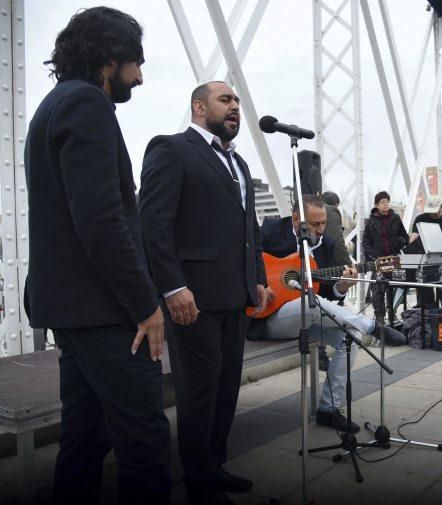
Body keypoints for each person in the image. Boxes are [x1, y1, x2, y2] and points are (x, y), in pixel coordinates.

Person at [24, 8, 170, 503]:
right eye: (136, 63)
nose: (141, 77)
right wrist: (147, 306)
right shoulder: (88, 105)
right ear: (112, 58)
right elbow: (103, 224)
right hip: (103, 311)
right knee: (144, 441)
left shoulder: (55, 104)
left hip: (72, 309)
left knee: (84, 439)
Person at [139, 81, 267, 504]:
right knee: (200, 391)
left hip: (236, 295)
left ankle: (214, 465)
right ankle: (199, 484)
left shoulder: (241, 164)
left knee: (228, 386)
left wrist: (259, 279)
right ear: (199, 107)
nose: (235, 107)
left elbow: (251, 231)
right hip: (192, 298)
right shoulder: (171, 149)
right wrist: (172, 286)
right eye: (225, 100)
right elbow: (153, 224)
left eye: (237, 102)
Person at [250, 195, 407, 432]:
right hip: (267, 317)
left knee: (349, 337)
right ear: (296, 219)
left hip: (307, 315)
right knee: (308, 302)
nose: (321, 229)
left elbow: (328, 297)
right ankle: (371, 326)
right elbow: (246, 258)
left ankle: (329, 409)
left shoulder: (328, 245)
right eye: (315, 224)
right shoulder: (271, 230)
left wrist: (341, 287)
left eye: (323, 223)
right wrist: (261, 282)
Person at [362, 191, 408, 319]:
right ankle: (379, 318)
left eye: (387, 201)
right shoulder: (371, 221)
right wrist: (372, 256)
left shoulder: (396, 218)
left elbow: (405, 236)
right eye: (382, 202)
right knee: (377, 290)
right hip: (378, 261)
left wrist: (400, 243)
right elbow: (366, 241)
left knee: (393, 287)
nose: (385, 204)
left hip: (393, 259)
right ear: (376, 205)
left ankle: (392, 314)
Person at [408, 195, 442, 305]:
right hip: (425, 263)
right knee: (425, 297)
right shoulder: (420, 218)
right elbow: (413, 238)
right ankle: (429, 320)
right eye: (430, 211)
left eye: (435, 211)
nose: (432, 214)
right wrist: (414, 245)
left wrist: (440, 250)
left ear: (441, 206)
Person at [321, 191, 350, 267]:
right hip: (322, 264)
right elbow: (337, 241)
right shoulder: (330, 210)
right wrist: (348, 264)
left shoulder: (307, 207)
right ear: (335, 204)